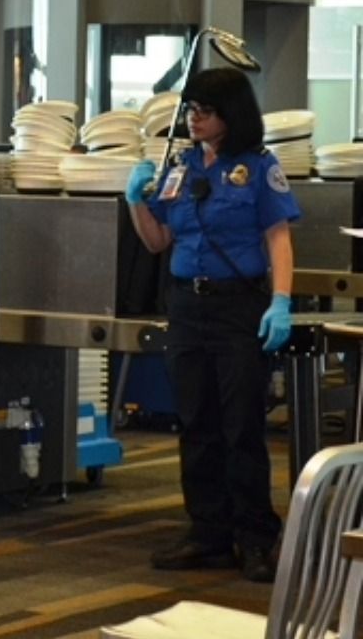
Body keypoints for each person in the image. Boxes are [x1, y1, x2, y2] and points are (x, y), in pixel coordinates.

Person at [124, 66, 298, 584]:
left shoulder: (258, 168)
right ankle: (208, 533)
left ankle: (256, 537)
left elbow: (278, 238)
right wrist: (136, 199)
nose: (195, 120)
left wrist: (281, 300)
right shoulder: (180, 168)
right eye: (192, 110)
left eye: (206, 111)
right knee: (196, 422)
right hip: (187, 306)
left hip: (236, 307)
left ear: (232, 116)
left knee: (240, 423)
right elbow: (157, 241)